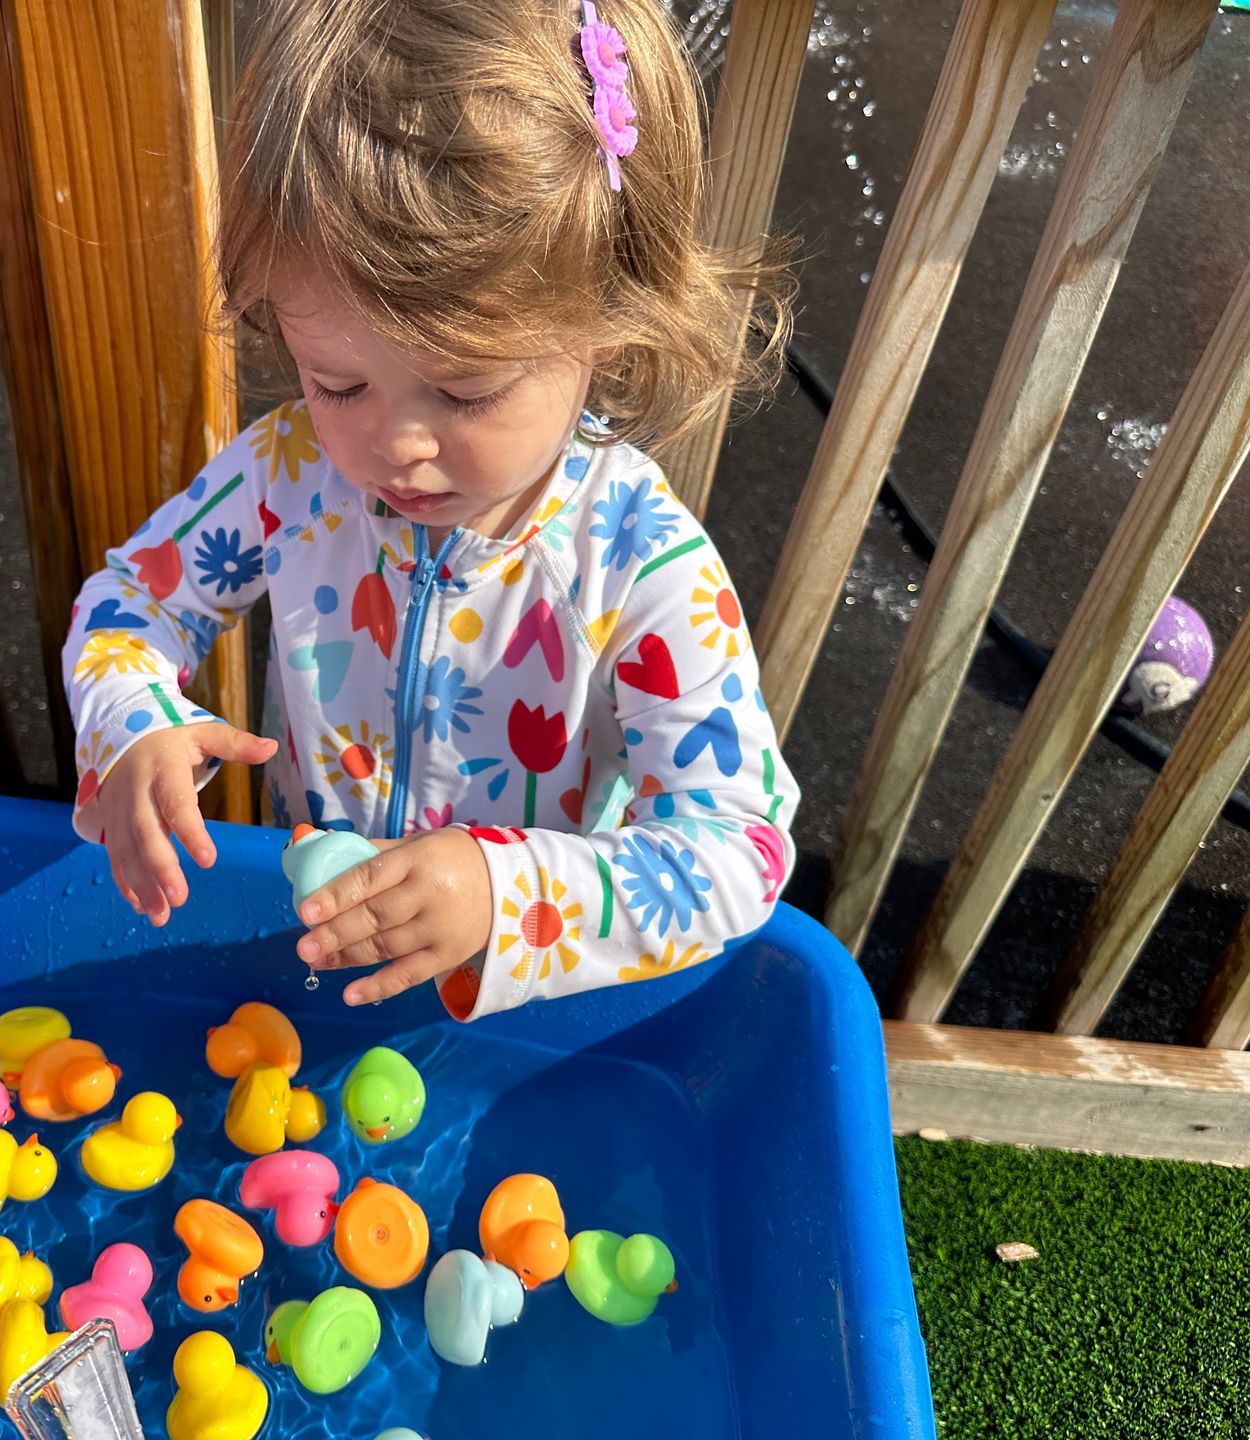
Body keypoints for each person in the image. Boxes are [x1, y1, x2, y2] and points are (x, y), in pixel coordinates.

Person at [63, 0, 800, 1022]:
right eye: (338, 383)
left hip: (530, 983)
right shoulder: (288, 478)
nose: (396, 447)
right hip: (321, 936)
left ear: (609, 328)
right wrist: (135, 725)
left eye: (464, 393)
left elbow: (739, 850)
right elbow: (124, 611)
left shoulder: (637, 560)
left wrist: (502, 893)